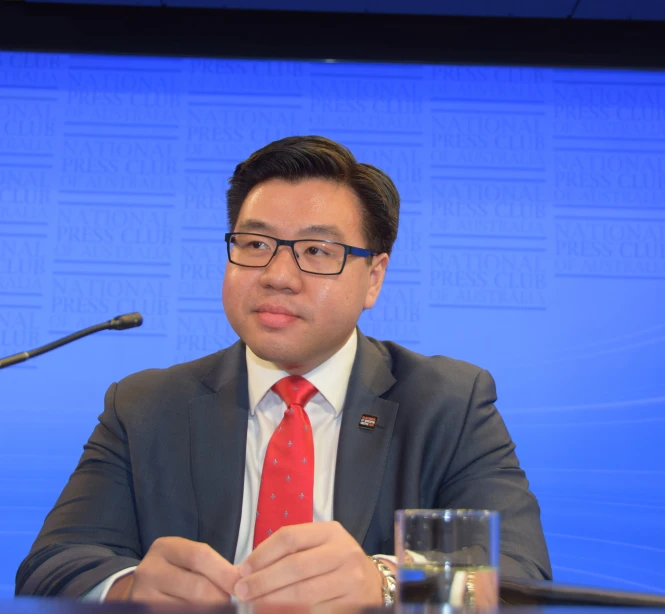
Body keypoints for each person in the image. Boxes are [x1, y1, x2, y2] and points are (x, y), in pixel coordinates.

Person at [15, 135, 552, 606]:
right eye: (254, 244)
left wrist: (386, 585)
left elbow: (521, 580)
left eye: (317, 251)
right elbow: (50, 567)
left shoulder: (448, 403)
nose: (277, 275)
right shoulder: (145, 405)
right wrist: (128, 589)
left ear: (374, 278)